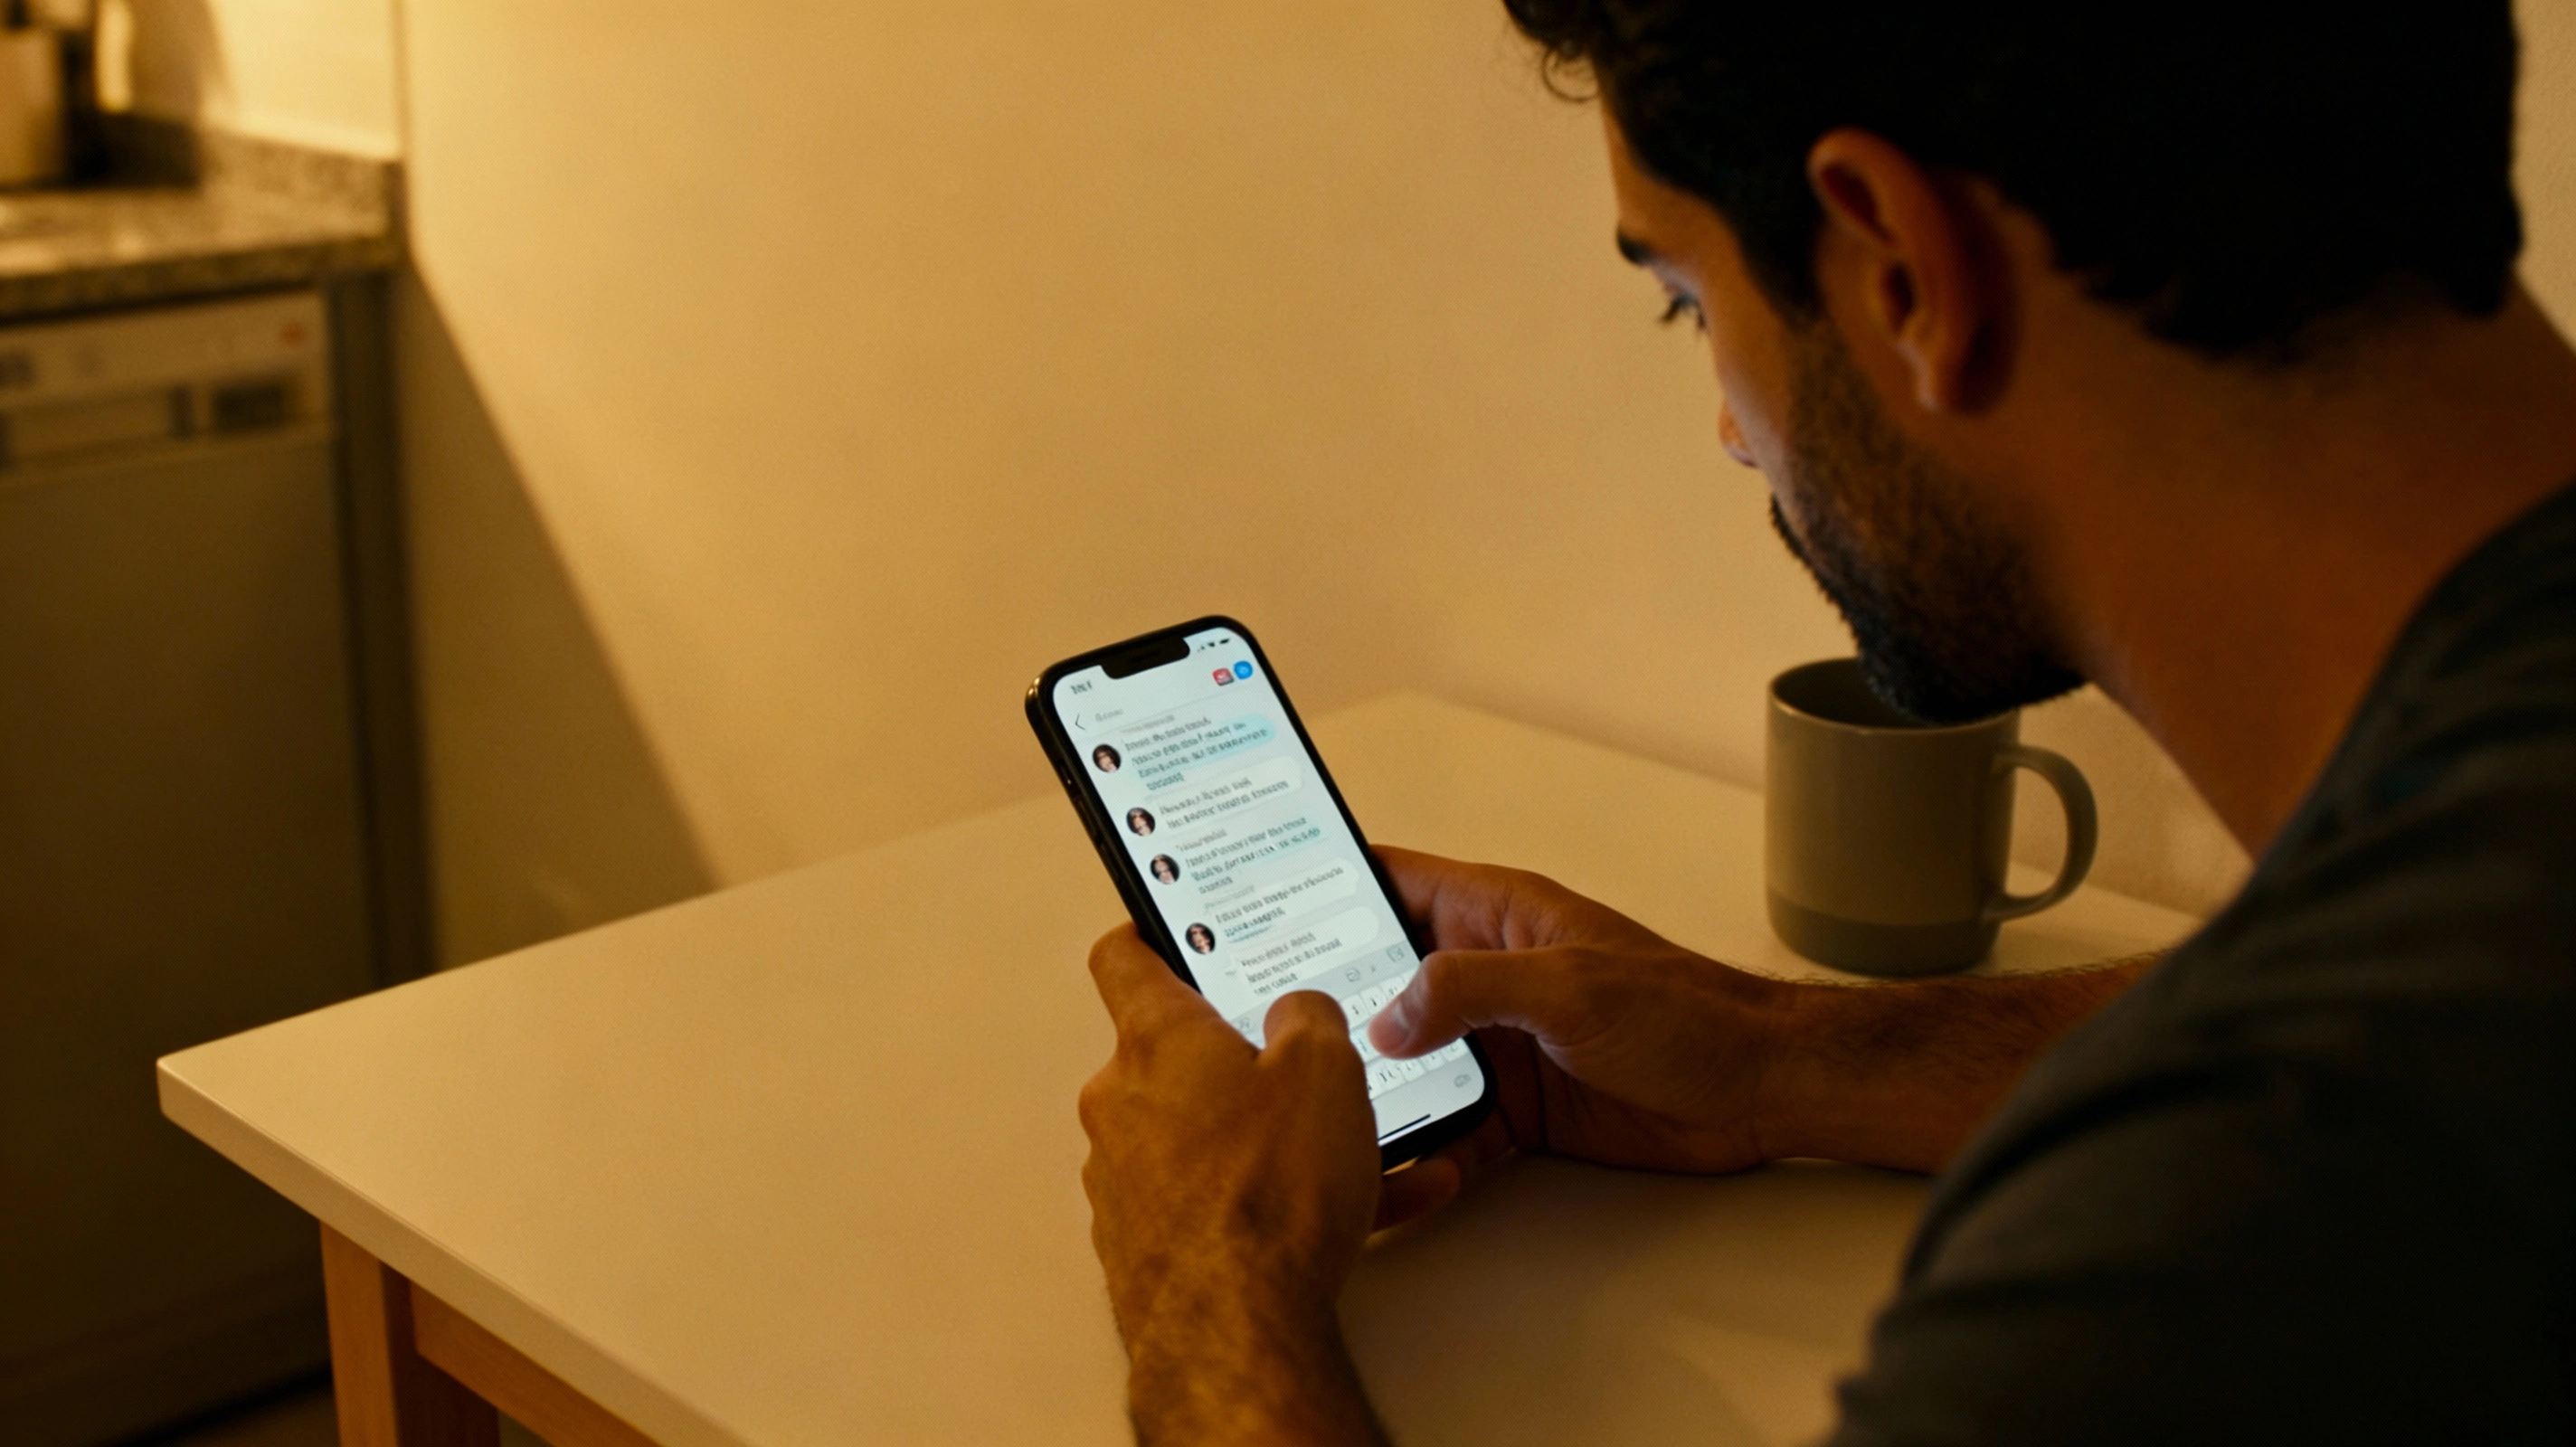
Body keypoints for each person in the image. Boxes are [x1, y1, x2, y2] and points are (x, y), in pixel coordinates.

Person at [1074, 5, 2573, 1445]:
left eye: (1687, 299)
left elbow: (2340, 1086)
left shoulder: (2226, 1230)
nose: (1733, 425)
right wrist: (1780, 1048)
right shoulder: (2458, 944)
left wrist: (1218, 1290)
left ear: (1902, 266)